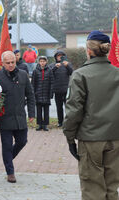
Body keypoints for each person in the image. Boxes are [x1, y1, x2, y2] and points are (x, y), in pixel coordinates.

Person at [63, 30, 119, 200]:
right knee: (112, 187)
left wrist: (70, 137)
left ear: (88, 50)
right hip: (115, 138)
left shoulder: (80, 75)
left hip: (91, 139)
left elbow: (73, 112)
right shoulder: (117, 73)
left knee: (93, 189)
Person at [0, 51, 35, 183]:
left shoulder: (23, 74)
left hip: (20, 117)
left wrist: (32, 113)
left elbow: (30, 94)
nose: (11, 65)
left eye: (13, 62)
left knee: (22, 141)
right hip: (4, 118)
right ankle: (10, 172)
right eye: (8, 63)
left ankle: (8, 158)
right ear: (2, 63)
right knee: (6, 145)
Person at [49, 50, 73, 127]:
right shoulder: (52, 65)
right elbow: (49, 74)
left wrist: (67, 66)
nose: (59, 57)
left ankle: (68, 122)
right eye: (58, 56)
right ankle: (60, 122)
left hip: (66, 89)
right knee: (59, 107)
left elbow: (71, 72)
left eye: (61, 55)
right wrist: (55, 67)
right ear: (55, 57)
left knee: (68, 107)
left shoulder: (67, 64)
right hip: (57, 89)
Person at [31, 56, 54, 131]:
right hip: (38, 94)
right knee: (39, 110)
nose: (42, 63)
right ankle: (40, 124)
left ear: (46, 62)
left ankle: (45, 125)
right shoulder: (35, 71)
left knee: (46, 111)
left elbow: (51, 82)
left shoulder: (50, 71)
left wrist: (51, 93)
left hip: (46, 93)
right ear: (39, 62)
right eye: (41, 61)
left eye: (44, 61)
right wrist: (33, 93)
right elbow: (33, 83)